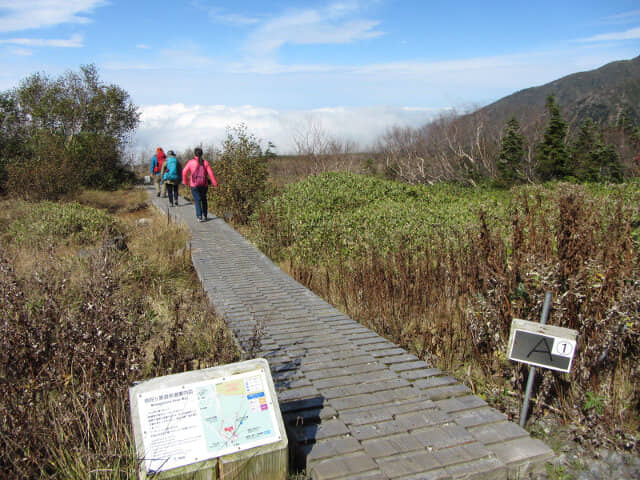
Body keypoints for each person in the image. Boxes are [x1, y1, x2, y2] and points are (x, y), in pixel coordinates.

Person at [182, 147, 218, 222]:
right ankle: (205, 215)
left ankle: (199, 216)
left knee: (197, 200)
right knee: (204, 199)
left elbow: (184, 172)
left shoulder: (191, 162)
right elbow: (211, 174)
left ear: (194, 154)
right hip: (204, 184)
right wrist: (215, 183)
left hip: (194, 184)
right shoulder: (205, 162)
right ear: (202, 154)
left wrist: (185, 182)